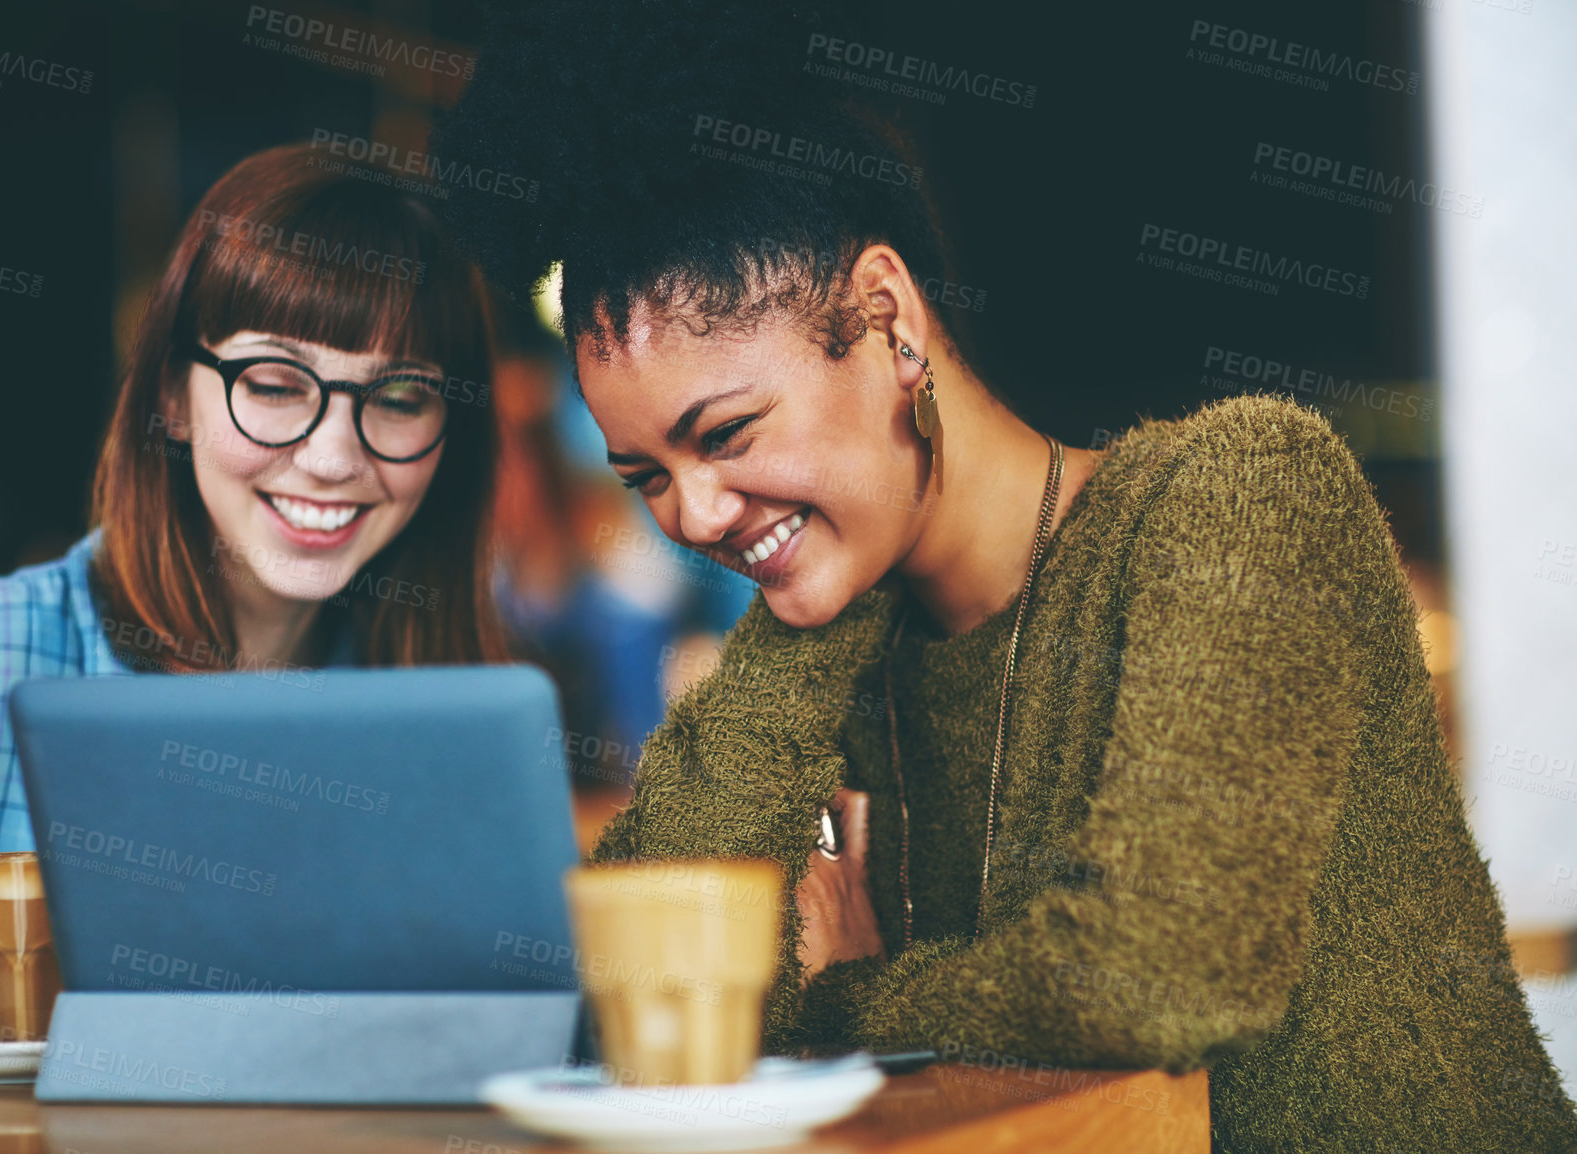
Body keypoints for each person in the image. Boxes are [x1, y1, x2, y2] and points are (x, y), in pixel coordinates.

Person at [431, 2, 1577, 1149]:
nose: (693, 514)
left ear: (886, 318)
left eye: (725, 435)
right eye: (646, 476)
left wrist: (836, 1002)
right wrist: (801, 597)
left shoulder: (1240, 492)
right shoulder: (843, 636)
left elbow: (1159, 973)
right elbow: (627, 1016)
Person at [0, 142, 501, 1038]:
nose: (335, 457)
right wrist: (30, 996)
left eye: (397, 397)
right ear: (170, 397)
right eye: (273, 383)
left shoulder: (443, 721)